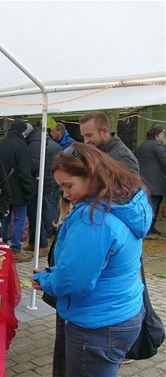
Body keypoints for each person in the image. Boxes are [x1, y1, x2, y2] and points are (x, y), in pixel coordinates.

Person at [32, 143, 150, 377]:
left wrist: (46, 280)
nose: (65, 194)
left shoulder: (93, 218)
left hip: (98, 324)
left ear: (92, 176)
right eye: (61, 188)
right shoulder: (123, 202)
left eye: (68, 185)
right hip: (122, 312)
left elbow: (75, 280)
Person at [0, 120, 34, 261]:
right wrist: (29, 190)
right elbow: (24, 171)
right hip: (18, 189)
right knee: (19, 219)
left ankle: (2, 246)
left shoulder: (0, 145)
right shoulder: (21, 146)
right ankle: (16, 249)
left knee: (4, 218)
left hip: (2, 189)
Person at [24, 125, 62, 254]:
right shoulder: (39, 142)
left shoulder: (34, 144)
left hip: (38, 184)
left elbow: (34, 165)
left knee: (36, 214)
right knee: (36, 214)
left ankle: (42, 243)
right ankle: (34, 242)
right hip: (43, 182)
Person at [135, 125, 166, 239]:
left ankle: (149, 228)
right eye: (163, 134)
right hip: (156, 184)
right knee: (153, 207)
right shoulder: (158, 147)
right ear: (157, 135)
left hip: (143, 183)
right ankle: (148, 230)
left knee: (146, 206)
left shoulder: (141, 145)